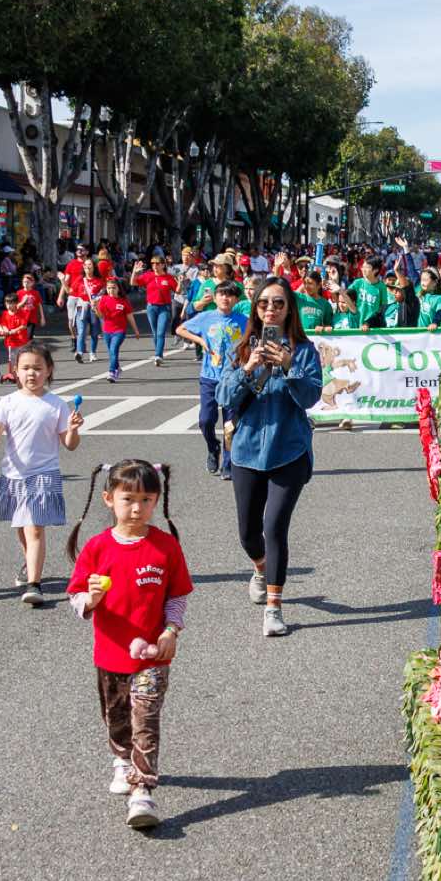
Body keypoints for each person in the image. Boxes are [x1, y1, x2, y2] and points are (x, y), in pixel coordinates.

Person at [65, 458, 191, 829]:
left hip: (153, 657)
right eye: (128, 499)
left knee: (145, 722)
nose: (137, 508)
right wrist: (90, 600)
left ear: (157, 501)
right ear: (108, 499)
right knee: (117, 720)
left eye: (146, 500)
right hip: (110, 655)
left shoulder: (166, 547)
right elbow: (75, 595)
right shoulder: (97, 548)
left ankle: (142, 791)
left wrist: (171, 630)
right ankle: (122, 759)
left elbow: (178, 595)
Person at [218, 276, 323, 638]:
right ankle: (260, 567)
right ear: (256, 308)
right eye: (264, 303)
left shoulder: (304, 350)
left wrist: (290, 366)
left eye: (279, 303)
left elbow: (311, 397)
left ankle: (274, 608)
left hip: (289, 451)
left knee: (274, 526)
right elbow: (224, 397)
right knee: (249, 534)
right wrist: (248, 369)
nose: (271, 310)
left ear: (289, 309)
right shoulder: (242, 348)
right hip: (246, 452)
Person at [0, 344, 86, 604]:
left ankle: (34, 584)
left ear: (49, 370)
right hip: (13, 475)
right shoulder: (8, 403)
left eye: (38, 368)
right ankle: (29, 564)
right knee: (22, 527)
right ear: (16, 372)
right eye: (26, 368)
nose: (32, 373)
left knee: (35, 530)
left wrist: (74, 429)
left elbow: (70, 444)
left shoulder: (57, 405)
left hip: (44, 474)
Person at [175, 281, 248, 478]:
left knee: (230, 424)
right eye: (221, 294)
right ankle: (212, 447)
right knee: (206, 420)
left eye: (230, 295)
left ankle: (228, 463)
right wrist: (200, 340)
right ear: (215, 298)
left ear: (236, 299)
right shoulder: (205, 317)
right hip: (209, 376)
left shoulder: (244, 320)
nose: (225, 298)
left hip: (233, 379)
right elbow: (180, 329)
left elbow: (256, 337)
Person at [138, 260, 178, 364]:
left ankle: (158, 355)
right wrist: (135, 272)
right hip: (151, 307)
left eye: (157, 263)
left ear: (163, 265)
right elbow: (133, 282)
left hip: (164, 307)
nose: (155, 266)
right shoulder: (148, 275)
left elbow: (178, 290)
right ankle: (158, 352)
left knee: (161, 332)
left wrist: (180, 282)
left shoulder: (168, 277)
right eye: (153, 263)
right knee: (155, 333)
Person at [94, 276, 133, 381]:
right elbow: (101, 316)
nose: (111, 290)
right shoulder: (104, 299)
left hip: (119, 331)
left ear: (118, 288)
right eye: (109, 288)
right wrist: (95, 308)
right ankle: (117, 368)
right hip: (107, 330)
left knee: (113, 349)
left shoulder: (123, 301)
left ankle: (112, 372)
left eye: (113, 288)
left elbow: (130, 316)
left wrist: (136, 330)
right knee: (112, 352)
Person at [0, 291, 35, 384]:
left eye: (11, 304)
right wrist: (4, 330)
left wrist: (14, 330)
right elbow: (3, 324)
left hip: (21, 340)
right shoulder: (5, 313)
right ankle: (12, 375)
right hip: (11, 341)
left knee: (22, 358)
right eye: (7, 304)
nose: (9, 306)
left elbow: (23, 326)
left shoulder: (22, 312)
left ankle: (24, 373)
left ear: (16, 303)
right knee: (11, 358)